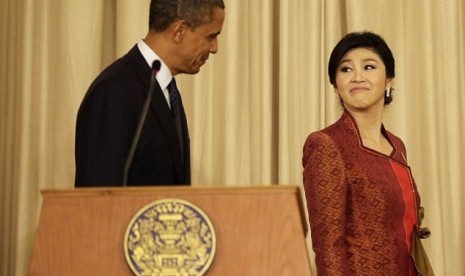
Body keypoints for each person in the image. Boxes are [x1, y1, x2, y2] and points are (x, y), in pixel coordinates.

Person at [302, 31, 432, 275]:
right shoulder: (326, 145)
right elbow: (328, 247)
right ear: (335, 87)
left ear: (388, 81)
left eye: (369, 66)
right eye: (346, 69)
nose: (357, 76)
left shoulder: (396, 145)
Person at [75, 0, 225, 187]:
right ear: (179, 31)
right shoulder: (114, 92)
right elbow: (98, 197)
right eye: (211, 37)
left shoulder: (167, 91)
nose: (214, 48)